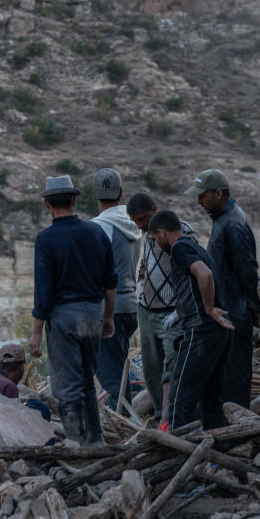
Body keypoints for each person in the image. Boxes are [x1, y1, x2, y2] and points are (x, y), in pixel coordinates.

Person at [28, 175, 117, 446]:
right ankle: (96, 440)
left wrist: (35, 333)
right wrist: (108, 316)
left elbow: (43, 293)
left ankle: (76, 445)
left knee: (67, 387)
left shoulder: (46, 240)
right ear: (75, 199)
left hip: (64, 318)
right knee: (88, 381)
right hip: (92, 313)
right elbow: (110, 281)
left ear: (46, 204)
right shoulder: (96, 232)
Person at [148, 210, 236, 429]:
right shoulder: (196, 246)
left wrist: (208, 309)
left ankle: (180, 452)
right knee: (210, 396)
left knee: (181, 395)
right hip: (217, 332)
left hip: (200, 330)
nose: (157, 244)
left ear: (162, 233)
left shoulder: (179, 248)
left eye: (155, 239)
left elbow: (204, 274)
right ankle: (217, 447)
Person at [187, 169, 260, 407]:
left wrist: (253, 309)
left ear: (218, 193)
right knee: (225, 376)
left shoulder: (233, 223)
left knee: (235, 377)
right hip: (227, 311)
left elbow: (248, 270)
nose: (199, 201)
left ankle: (239, 428)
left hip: (235, 313)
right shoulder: (224, 220)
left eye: (203, 196)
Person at [127, 193, 196, 422]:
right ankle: (159, 415)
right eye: (136, 221)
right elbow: (145, 263)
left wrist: (180, 309)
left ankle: (174, 418)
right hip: (147, 310)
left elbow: (194, 271)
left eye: (143, 219)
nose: (140, 225)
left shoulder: (181, 231)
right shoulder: (147, 235)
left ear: (155, 209)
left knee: (171, 366)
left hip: (171, 311)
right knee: (151, 368)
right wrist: (140, 285)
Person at [91, 168, 142, 408]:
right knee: (121, 375)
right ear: (121, 192)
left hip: (108, 310)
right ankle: (130, 421)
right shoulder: (134, 225)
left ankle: (124, 430)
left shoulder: (98, 227)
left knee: (110, 379)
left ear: (95, 195)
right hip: (132, 306)